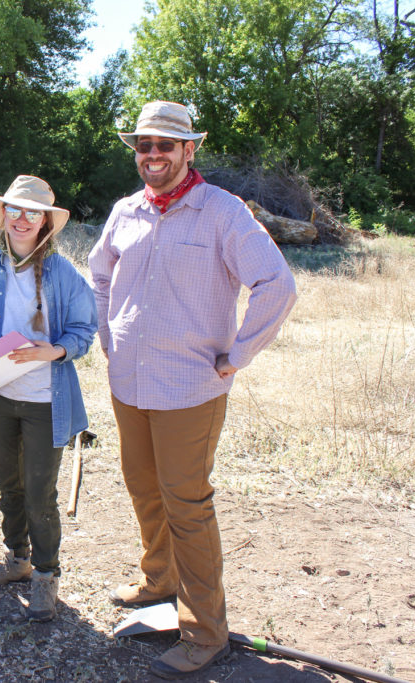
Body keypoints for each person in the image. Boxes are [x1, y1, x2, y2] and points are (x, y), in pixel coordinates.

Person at [88, 101, 297, 679]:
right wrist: (110, 334)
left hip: (189, 388)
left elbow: (276, 285)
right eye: (143, 146)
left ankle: (206, 632)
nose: (152, 155)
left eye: (165, 145)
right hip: (128, 381)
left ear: (189, 150)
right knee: (144, 489)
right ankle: (159, 582)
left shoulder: (223, 213)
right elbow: (99, 274)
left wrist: (239, 353)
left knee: (187, 504)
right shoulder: (126, 211)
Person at [0, 176, 97, 622]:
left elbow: (83, 331)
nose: (21, 219)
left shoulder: (63, 274)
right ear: (3, 217)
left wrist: (51, 350)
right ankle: (17, 559)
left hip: (45, 402)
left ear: (45, 223)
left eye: (31, 212)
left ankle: (45, 575)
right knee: (9, 487)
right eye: (14, 210)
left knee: (40, 493)